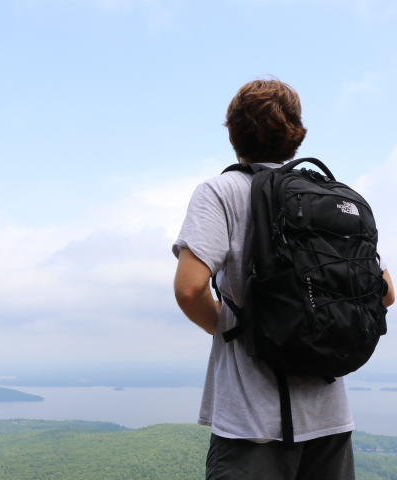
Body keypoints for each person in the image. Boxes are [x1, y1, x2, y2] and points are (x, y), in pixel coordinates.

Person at [172, 78, 395, 480]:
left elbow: (190, 289)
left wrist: (228, 327)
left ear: (233, 133)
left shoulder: (220, 192)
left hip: (251, 426)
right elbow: (387, 294)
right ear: (296, 135)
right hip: (331, 422)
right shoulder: (333, 199)